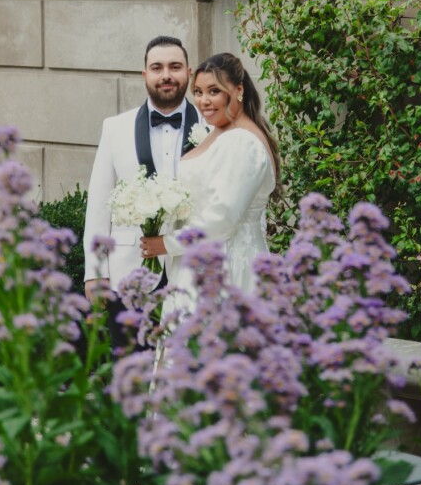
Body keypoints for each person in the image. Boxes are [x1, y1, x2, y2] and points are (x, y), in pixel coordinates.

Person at [141, 52, 281, 313]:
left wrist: (167, 243)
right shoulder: (222, 132)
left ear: (239, 90)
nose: (203, 101)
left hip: (225, 268)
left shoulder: (243, 142)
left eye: (214, 91)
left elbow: (223, 216)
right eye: (198, 91)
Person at [83, 35, 200, 301]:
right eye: (157, 68)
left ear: (189, 73)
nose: (166, 75)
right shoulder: (114, 128)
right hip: (127, 272)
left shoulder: (211, 128)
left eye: (175, 66)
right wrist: (95, 271)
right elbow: (100, 204)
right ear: (145, 74)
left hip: (192, 273)